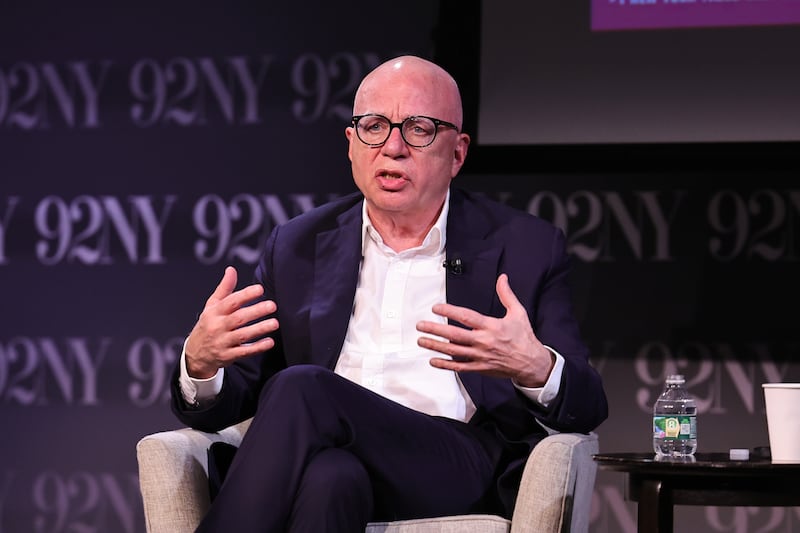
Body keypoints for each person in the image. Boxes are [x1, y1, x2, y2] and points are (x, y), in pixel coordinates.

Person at [171, 55, 608, 532]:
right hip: (337, 457)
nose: (392, 147)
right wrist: (200, 364)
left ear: (457, 153)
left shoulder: (524, 246)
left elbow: (588, 406)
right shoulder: (297, 245)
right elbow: (239, 399)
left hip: (456, 462)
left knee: (302, 387)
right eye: (374, 126)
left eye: (419, 128)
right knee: (330, 479)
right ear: (351, 144)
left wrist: (535, 368)